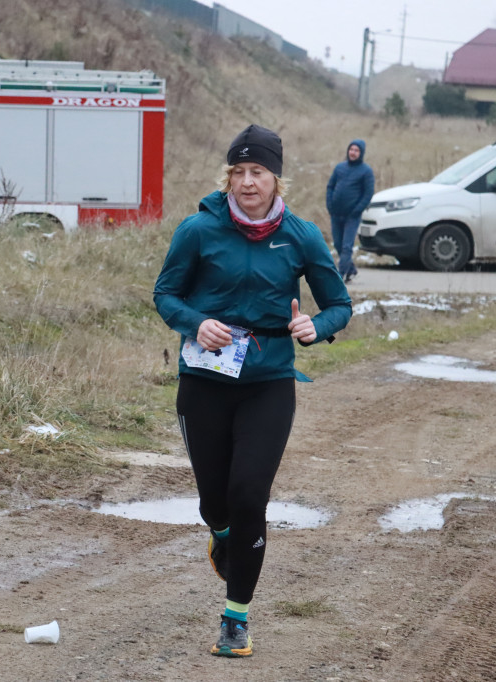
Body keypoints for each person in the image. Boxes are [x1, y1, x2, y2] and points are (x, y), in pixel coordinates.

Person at [153, 124, 352, 658]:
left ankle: (235, 619)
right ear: (228, 177)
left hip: (268, 383)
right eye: (238, 172)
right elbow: (165, 292)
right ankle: (222, 534)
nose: (247, 182)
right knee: (214, 503)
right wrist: (195, 323)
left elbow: (339, 304)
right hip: (204, 381)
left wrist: (317, 325)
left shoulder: (303, 236)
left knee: (249, 497)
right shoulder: (198, 230)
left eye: (257, 172)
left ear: (275, 179)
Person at [325, 139, 375, 283]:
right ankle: (351, 270)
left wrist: (357, 210)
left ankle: (339, 277)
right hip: (336, 214)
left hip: (352, 216)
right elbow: (330, 186)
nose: (353, 152)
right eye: (351, 149)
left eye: (356, 150)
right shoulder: (340, 168)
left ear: (361, 153)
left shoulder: (366, 171)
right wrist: (330, 205)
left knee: (347, 246)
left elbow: (368, 194)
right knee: (338, 245)